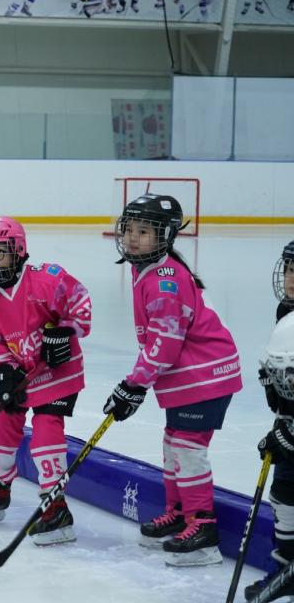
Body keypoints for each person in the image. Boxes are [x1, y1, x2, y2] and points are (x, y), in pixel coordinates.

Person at [103, 193, 242, 566]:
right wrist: (135, 383)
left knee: (187, 449)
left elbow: (164, 345)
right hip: (189, 378)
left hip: (206, 376)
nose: (133, 237)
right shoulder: (144, 269)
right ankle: (180, 513)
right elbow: (155, 342)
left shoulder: (165, 281)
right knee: (172, 445)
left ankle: (203, 528)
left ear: (164, 235)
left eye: (144, 231)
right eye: (129, 229)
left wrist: (134, 385)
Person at [0, 217, 92, 545]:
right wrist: (5, 371)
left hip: (59, 374)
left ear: (18, 251)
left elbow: (81, 305)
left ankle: (56, 507)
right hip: (24, 374)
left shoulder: (48, 279)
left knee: (46, 432)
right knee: (2, 425)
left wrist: (63, 330)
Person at [245, 242, 294, 601]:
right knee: (284, 492)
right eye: (290, 269)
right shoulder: (285, 312)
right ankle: (288, 569)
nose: (291, 278)